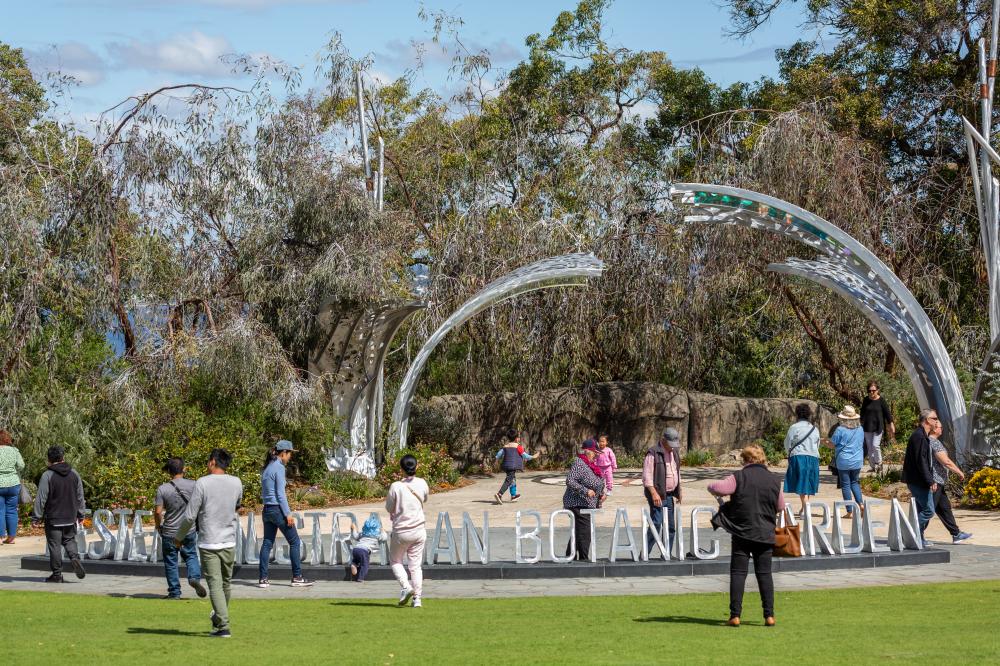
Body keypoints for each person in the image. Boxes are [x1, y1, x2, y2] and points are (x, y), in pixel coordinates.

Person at [708, 445, 785, 628]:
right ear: (761, 459)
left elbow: (718, 487)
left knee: (738, 573)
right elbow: (780, 506)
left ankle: (735, 615)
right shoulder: (774, 480)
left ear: (746, 460)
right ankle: (769, 615)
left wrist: (710, 487)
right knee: (765, 574)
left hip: (742, 532)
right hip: (765, 533)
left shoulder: (739, 477)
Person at [174, 448, 243, 638]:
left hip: (209, 542)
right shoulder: (237, 482)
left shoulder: (203, 483)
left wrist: (178, 537)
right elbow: (237, 505)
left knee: (214, 584)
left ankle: (223, 625)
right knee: (226, 583)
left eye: (208, 461)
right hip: (229, 540)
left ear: (213, 461)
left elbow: (190, 516)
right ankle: (220, 618)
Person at [258, 440, 314, 589]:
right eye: (289, 453)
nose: (290, 457)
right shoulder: (279, 468)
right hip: (277, 510)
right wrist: (287, 514)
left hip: (267, 510)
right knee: (295, 541)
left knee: (267, 543)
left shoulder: (267, 468)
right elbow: (281, 494)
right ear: (283, 453)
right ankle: (297, 577)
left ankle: (263, 579)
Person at [31, 446, 86, 582]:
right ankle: (75, 558)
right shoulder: (74, 473)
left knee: (54, 545)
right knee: (69, 540)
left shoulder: (47, 475)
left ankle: (57, 575)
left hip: (54, 518)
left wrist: (36, 517)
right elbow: (80, 496)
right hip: (70, 516)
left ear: (49, 460)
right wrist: (81, 515)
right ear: (63, 458)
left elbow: (41, 498)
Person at [154, 457, 206, 599]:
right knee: (191, 555)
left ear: (169, 471)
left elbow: (158, 512)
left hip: (170, 531)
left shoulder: (162, 488)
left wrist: (159, 526)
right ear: (184, 469)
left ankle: (174, 592)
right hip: (188, 529)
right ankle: (194, 578)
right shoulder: (194, 485)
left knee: (171, 561)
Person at [386, 454, 430, 608]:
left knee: (395, 561)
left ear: (401, 469)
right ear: (416, 467)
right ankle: (417, 598)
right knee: (415, 566)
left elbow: (389, 508)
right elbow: (424, 499)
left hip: (401, 531)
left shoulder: (395, 486)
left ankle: (406, 586)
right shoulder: (422, 483)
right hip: (418, 529)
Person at [928, 420, 973, 544]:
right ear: (934, 429)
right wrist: (959, 471)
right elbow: (946, 461)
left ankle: (956, 534)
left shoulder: (930, 441)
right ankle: (915, 534)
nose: (942, 429)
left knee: (945, 508)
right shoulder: (934, 443)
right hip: (935, 482)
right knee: (927, 511)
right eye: (940, 427)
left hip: (939, 482)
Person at [563, 438, 607, 561]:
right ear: (588, 451)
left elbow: (595, 484)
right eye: (595, 453)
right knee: (584, 532)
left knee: (579, 531)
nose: (597, 456)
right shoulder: (579, 462)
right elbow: (570, 480)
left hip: (586, 504)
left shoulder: (591, 465)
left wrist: (601, 494)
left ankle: (569, 557)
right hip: (577, 503)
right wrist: (586, 491)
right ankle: (583, 559)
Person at [642, 428, 682, 556]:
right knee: (656, 524)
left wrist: (679, 490)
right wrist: (654, 493)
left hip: (670, 495)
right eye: (670, 445)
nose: (672, 448)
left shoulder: (674, 453)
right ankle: (645, 553)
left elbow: (677, 472)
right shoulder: (653, 453)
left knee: (670, 527)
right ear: (663, 440)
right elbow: (647, 476)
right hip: (658, 495)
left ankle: (666, 553)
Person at [902, 409, 938, 545]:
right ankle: (909, 532)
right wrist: (930, 480)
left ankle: (919, 538)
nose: (936, 421)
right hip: (918, 481)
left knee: (921, 510)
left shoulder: (922, 435)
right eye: (934, 418)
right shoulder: (920, 437)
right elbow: (921, 461)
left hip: (917, 480)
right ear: (927, 420)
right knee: (928, 511)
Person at [826, 405, 865, 517]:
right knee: (855, 482)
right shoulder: (860, 429)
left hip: (844, 460)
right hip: (857, 460)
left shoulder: (840, 430)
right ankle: (861, 504)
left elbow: (833, 444)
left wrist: (825, 442)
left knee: (846, 485)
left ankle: (849, 511)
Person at [782, 404, 820, 518]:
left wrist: (789, 452)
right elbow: (817, 444)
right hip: (813, 457)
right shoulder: (814, 428)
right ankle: (804, 508)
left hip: (799, 457)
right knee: (807, 482)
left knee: (801, 482)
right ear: (809, 414)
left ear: (797, 414)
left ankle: (806, 507)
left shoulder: (794, 427)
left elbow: (787, 443)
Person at [493, 429, 536, 504]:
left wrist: (496, 460)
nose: (519, 439)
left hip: (506, 466)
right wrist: (533, 457)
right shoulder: (518, 447)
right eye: (519, 437)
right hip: (512, 466)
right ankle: (499, 494)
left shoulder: (505, 446)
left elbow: (499, 454)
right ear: (516, 438)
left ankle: (513, 495)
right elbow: (525, 456)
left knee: (512, 479)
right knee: (509, 480)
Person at [860, 381, 895, 469]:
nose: (871, 392)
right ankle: (873, 467)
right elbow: (862, 413)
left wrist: (891, 424)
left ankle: (879, 464)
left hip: (878, 427)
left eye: (873, 390)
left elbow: (887, 414)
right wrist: (860, 425)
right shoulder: (866, 400)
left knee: (875, 445)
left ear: (877, 390)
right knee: (869, 447)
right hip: (867, 427)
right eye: (869, 391)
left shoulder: (881, 400)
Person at [0, 430, 25, 544]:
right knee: (12, 510)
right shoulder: (14, 451)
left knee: (0, 510)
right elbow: (21, 465)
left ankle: (0, 537)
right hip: (13, 484)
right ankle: (11, 538)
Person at [349, 514, 388, 582]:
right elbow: (384, 537)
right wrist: (383, 530)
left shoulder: (362, 534)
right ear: (377, 529)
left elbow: (355, 536)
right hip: (364, 551)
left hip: (356, 549)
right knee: (365, 565)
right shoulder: (377, 536)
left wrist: (354, 528)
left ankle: (353, 564)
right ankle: (360, 578)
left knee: (356, 559)